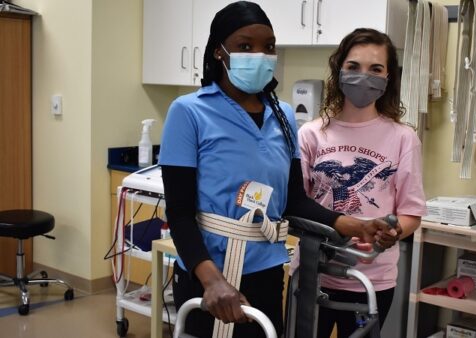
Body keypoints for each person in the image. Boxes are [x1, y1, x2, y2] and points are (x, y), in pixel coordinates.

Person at [158, 3, 398, 337]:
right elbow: (180, 213)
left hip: (267, 270)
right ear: (219, 52)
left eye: (268, 46)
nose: (259, 54)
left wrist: (357, 226)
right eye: (245, 46)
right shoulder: (189, 112)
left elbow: (294, 201)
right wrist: (212, 281)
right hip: (209, 274)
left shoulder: (283, 114)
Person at [294, 28, 427, 337]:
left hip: (372, 280)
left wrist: (392, 232)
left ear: (389, 77)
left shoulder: (403, 138)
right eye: (353, 67)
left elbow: (411, 212)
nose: (363, 77)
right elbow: (297, 204)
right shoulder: (311, 135)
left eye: (375, 69)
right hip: (315, 273)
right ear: (339, 69)